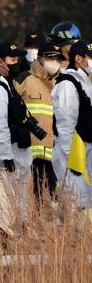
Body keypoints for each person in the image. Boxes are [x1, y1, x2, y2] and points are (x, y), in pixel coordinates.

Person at [0, 43, 34, 185]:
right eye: (13, 60)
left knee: (19, 203)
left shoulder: (8, 84)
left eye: (17, 60)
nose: (17, 63)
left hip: (14, 151)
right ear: (0, 62)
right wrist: (6, 157)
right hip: (1, 158)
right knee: (1, 203)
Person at [15, 40, 61, 197]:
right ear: (40, 58)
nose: (54, 62)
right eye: (50, 57)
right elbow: (11, 108)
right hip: (29, 154)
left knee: (52, 200)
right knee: (31, 199)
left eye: (57, 58)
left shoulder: (60, 83)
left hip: (53, 154)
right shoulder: (24, 79)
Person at [51, 40, 92, 209]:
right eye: (90, 56)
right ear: (79, 59)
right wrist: (70, 164)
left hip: (83, 156)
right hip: (73, 160)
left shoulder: (84, 81)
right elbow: (66, 128)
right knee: (77, 206)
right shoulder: (68, 84)